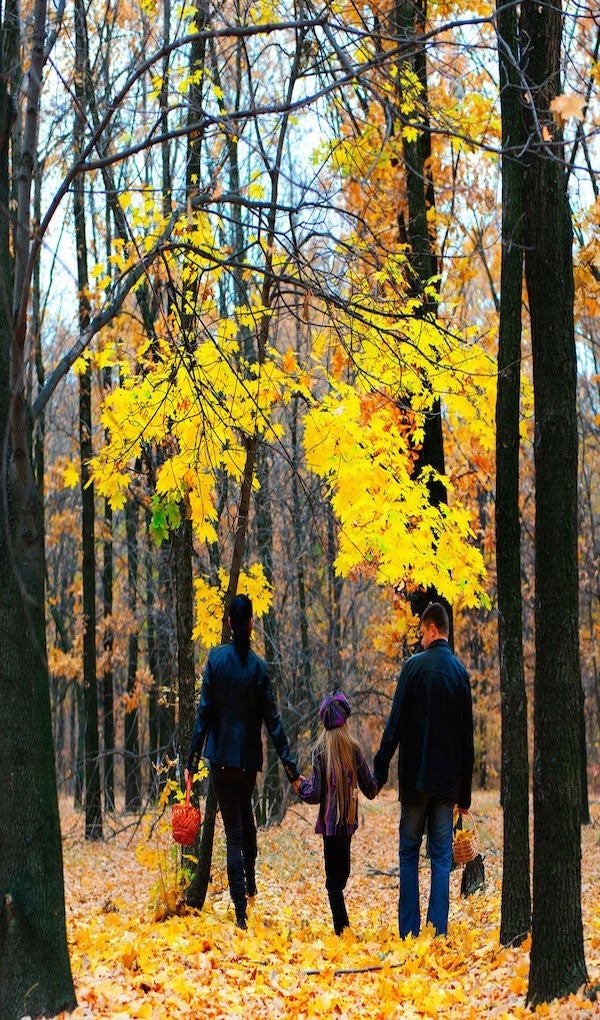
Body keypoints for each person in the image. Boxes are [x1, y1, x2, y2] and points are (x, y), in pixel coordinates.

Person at [185, 593, 301, 929]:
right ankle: (246, 889)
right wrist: (291, 769)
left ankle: (241, 909)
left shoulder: (215, 661)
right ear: (250, 623)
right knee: (243, 826)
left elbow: (203, 714)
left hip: (221, 760)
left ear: (229, 623)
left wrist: (192, 761)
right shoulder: (259, 668)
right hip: (247, 763)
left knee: (237, 832)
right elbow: (274, 723)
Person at [373, 601, 474, 939]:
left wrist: (380, 766)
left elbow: (396, 721)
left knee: (409, 852)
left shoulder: (413, 668)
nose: (420, 639)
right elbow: (466, 741)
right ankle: (437, 931)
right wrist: (466, 796)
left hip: (415, 781)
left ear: (432, 629)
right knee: (442, 858)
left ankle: (409, 932)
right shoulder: (461, 675)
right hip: (446, 785)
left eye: (421, 633)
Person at [298, 690, 378, 935]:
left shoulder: (321, 751)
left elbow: (315, 794)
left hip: (331, 826)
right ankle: (342, 930)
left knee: (336, 879)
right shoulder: (351, 749)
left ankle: (342, 930)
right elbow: (371, 788)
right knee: (337, 879)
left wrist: (301, 786)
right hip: (345, 824)